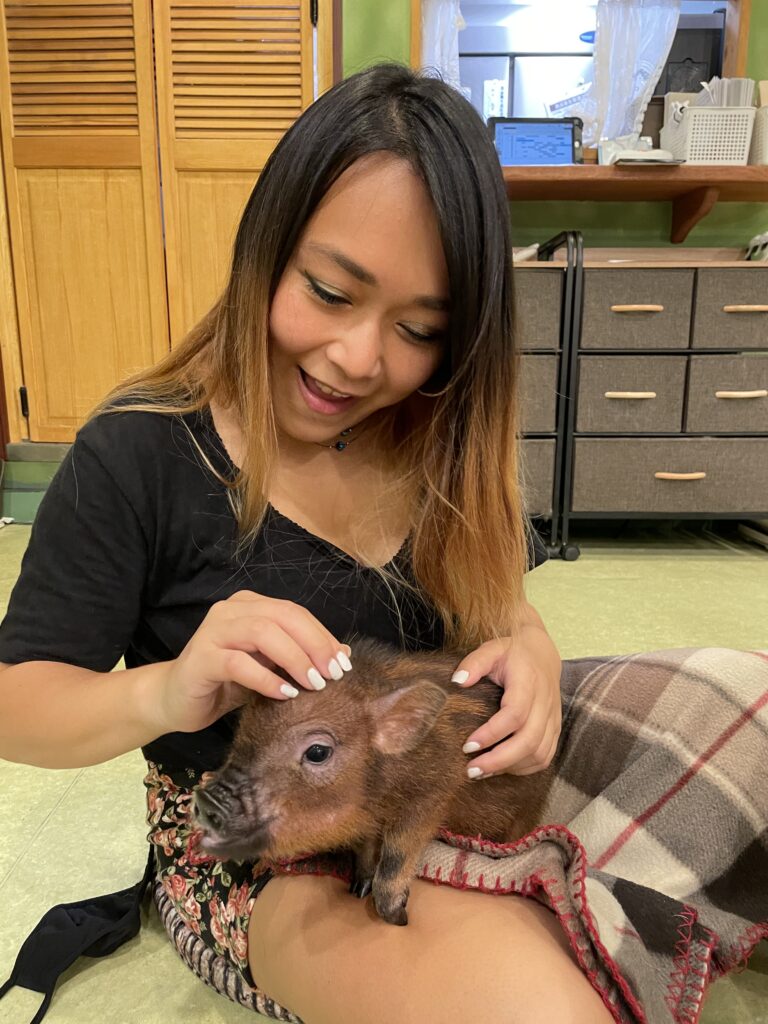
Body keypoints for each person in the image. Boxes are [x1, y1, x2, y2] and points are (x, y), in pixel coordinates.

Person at [0, 64, 765, 1024]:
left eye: (416, 329)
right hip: (272, 846)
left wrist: (526, 648)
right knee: (531, 1008)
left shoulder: (433, 439)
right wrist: (164, 688)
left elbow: (501, 605)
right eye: (329, 291)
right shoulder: (139, 454)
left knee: (749, 703)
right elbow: (15, 704)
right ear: (262, 252)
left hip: (458, 766)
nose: (360, 360)